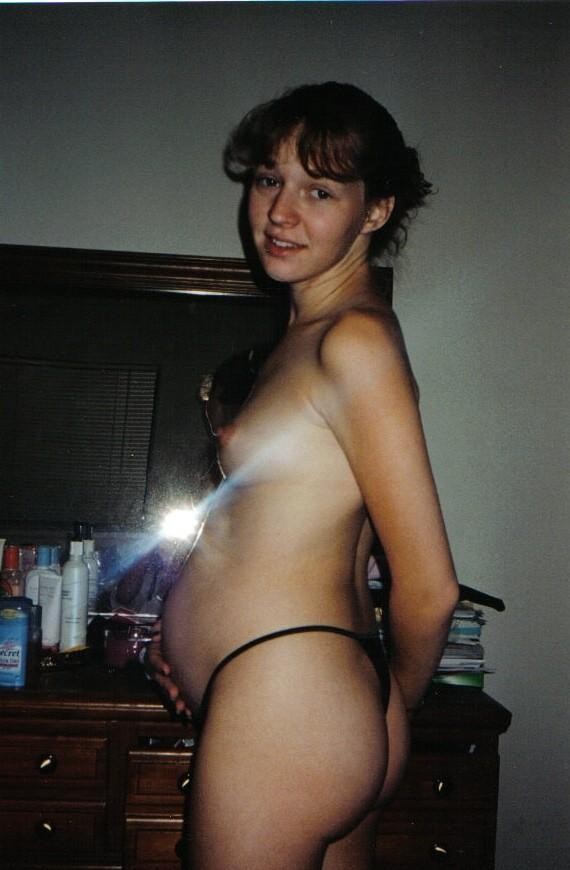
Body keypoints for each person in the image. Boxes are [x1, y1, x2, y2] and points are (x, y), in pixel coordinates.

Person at [150, 82, 459, 869]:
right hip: (298, 691)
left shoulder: (352, 341)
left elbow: (430, 588)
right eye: (268, 180)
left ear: (376, 210)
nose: (280, 213)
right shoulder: (310, 336)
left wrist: (375, 705)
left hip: (289, 702)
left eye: (319, 190)